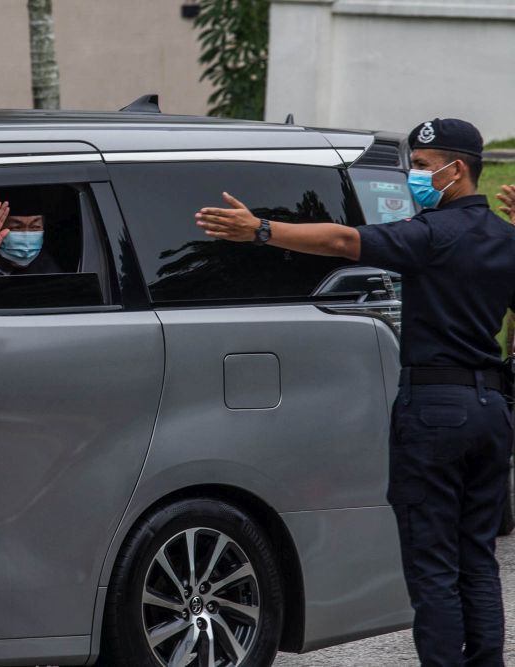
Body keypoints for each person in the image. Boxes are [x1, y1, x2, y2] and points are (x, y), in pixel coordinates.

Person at [194, 118, 512, 666]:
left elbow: (344, 240)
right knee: (476, 558)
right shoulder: (506, 238)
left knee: (433, 564)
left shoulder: (433, 235)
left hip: (435, 409)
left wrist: (261, 230)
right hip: (491, 411)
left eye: (421, 166)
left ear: (456, 170)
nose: (413, 176)